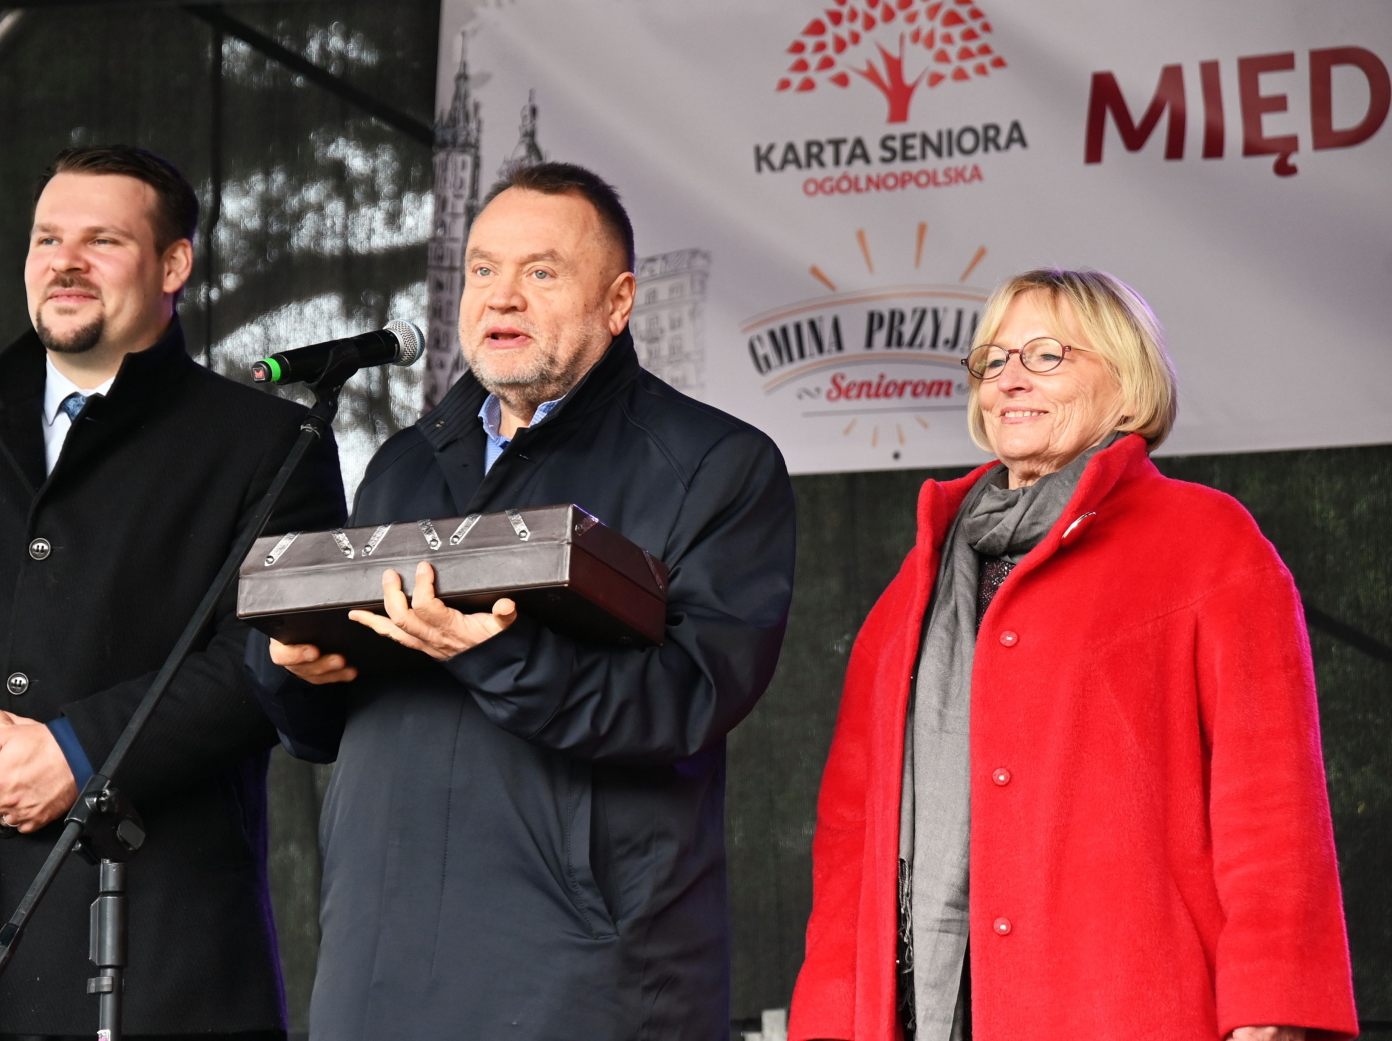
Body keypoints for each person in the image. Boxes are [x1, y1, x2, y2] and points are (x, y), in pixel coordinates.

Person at [246, 162, 797, 1040]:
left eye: (541, 271)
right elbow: (322, 732)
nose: (502, 296)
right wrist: (294, 668)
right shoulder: (404, 462)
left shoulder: (715, 463)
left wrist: (492, 653)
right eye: (483, 270)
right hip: (377, 954)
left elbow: (690, 698)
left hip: (580, 967)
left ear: (618, 303)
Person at [0, 145, 344, 1040]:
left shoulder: (272, 444)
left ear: (173, 264)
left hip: (161, 969)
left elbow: (265, 661)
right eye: (47, 239)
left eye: (103, 241)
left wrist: (79, 753)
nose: (65, 262)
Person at [786, 269, 1357, 1041]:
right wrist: (826, 1017)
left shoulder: (1208, 543)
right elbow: (849, 834)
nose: (1010, 379)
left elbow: (1271, 797)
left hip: (1132, 1008)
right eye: (994, 359)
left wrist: (1272, 1004)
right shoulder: (915, 583)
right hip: (930, 1013)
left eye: (1047, 355)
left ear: (1126, 384)